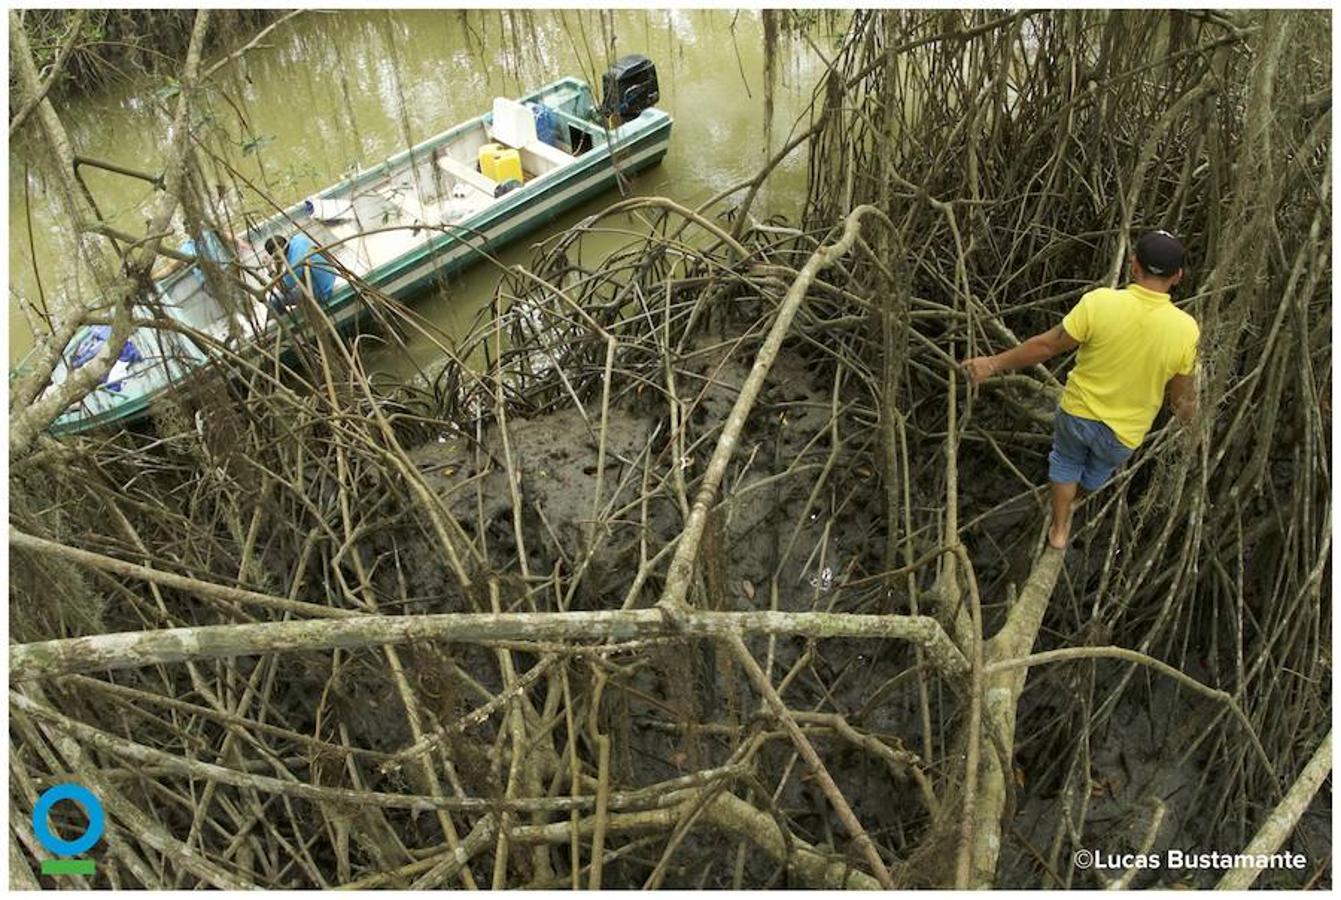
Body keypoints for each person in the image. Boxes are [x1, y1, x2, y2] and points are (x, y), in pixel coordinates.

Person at [961, 230, 1200, 550]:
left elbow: (1046, 346)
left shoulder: (1100, 303)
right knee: (1097, 471)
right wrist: (1191, 420)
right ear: (1178, 276)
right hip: (1123, 435)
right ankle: (1077, 499)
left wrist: (992, 363)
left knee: (1064, 461)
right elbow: (1180, 399)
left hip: (1077, 416)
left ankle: (1059, 528)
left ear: (1133, 265)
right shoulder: (1187, 330)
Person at [263, 232, 336, 311]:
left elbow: (283, 289)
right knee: (297, 282)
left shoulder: (295, 266)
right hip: (330, 278)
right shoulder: (298, 239)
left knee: (274, 301)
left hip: (322, 293)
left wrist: (270, 270)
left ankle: (290, 321)